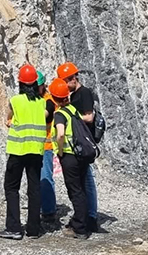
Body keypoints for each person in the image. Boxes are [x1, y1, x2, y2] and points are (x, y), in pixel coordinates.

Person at [0, 64, 53, 241]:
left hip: (18, 151)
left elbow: (8, 119)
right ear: (36, 84)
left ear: (20, 83)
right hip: (36, 151)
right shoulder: (42, 103)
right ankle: (33, 229)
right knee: (34, 188)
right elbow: (45, 116)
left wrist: (11, 122)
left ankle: (14, 228)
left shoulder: (15, 101)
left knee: (12, 187)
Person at [57, 61, 101, 233]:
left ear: (74, 78)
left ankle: (90, 217)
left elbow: (89, 117)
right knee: (83, 183)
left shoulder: (84, 94)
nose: (65, 86)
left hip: (84, 143)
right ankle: (85, 216)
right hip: (78, 144)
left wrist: (70, 117)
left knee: (86, 183)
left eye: (67, 81)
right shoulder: (73, 95)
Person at [50, 77, 89, 239]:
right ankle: (82, 221)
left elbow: (60, 134)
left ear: (54, 98)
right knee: (80, 189)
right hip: (80, 154)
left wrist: (59, 151)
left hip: (69, 156)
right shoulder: (72, 109)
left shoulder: (59, 114)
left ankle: (80, 228)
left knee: (75, 191)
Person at [38, 70, 58, 222]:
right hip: (33, 145)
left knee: (45, 177)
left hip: (45, 146)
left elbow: (43, 116)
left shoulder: (49, 101)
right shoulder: (36, 99)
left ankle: (49, 211)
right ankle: (42, 207)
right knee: (38, 178)